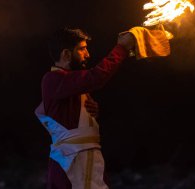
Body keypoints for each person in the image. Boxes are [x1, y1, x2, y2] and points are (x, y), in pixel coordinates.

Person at [35, 27, 135, 189]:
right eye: (82, 49)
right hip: (72, 160)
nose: (87, 54)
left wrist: (91, 113)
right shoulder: (52, 79)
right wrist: (121, 49)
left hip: (85, 158)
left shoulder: (72, 86)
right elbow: (96, 77)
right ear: (66, 54)